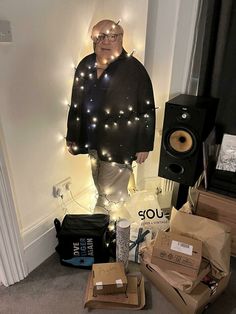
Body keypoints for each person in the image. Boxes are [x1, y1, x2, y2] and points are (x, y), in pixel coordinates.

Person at [66, 19, 155, 213]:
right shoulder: (85, 65)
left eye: (112, 36)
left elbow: (146, 108)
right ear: (93, 40)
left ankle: (104, 234)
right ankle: (116, 227)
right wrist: (73, 136)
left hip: (120, 143)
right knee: (101, 186)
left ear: (121, 39)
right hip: (92, 140)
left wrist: (143, 145)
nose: (106, 41)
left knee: (108, 197)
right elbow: (76, 105)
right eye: (101, 37)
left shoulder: (134, 70)